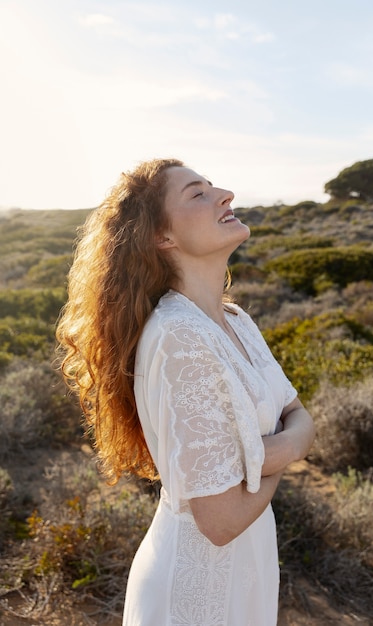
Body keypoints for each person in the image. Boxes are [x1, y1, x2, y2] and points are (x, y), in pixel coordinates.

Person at [56, 158, 315, 626]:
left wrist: (248, 459)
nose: (224, 195)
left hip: (247, 570)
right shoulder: (179, 336)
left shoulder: (235, 320)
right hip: (196, 594)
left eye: (213, 186)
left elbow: (297, 409)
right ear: (162, 237)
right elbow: (220, 520)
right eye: (197, 193)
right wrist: (292, 446)